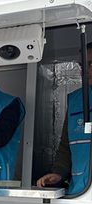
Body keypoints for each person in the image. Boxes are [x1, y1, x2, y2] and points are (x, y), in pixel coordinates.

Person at [37, 43, 92, 194]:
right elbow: (66, 146)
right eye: (83, 65)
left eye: (91, 64)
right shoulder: (75, 101)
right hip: (80, 192)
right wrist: (58, 173)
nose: (86, 70)